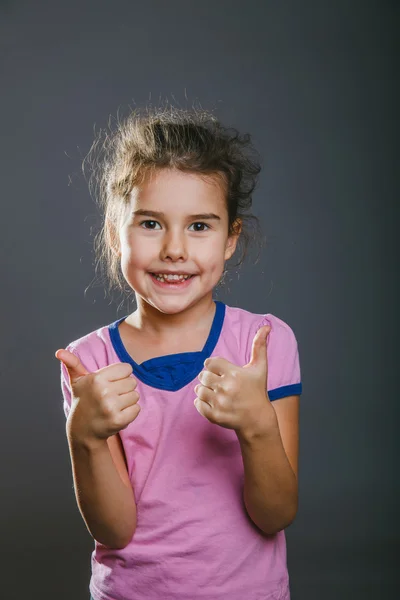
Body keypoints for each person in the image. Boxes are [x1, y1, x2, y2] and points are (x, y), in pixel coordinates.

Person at [55, 106, 302, 600]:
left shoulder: (263, 344)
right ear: (113, 233)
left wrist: (257, 427)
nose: (174, 249)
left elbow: (275, 515)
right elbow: (115, 530)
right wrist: (83, 436)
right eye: (150, 223)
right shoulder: (90, 362)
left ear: (231, 238)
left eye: (199, 226)